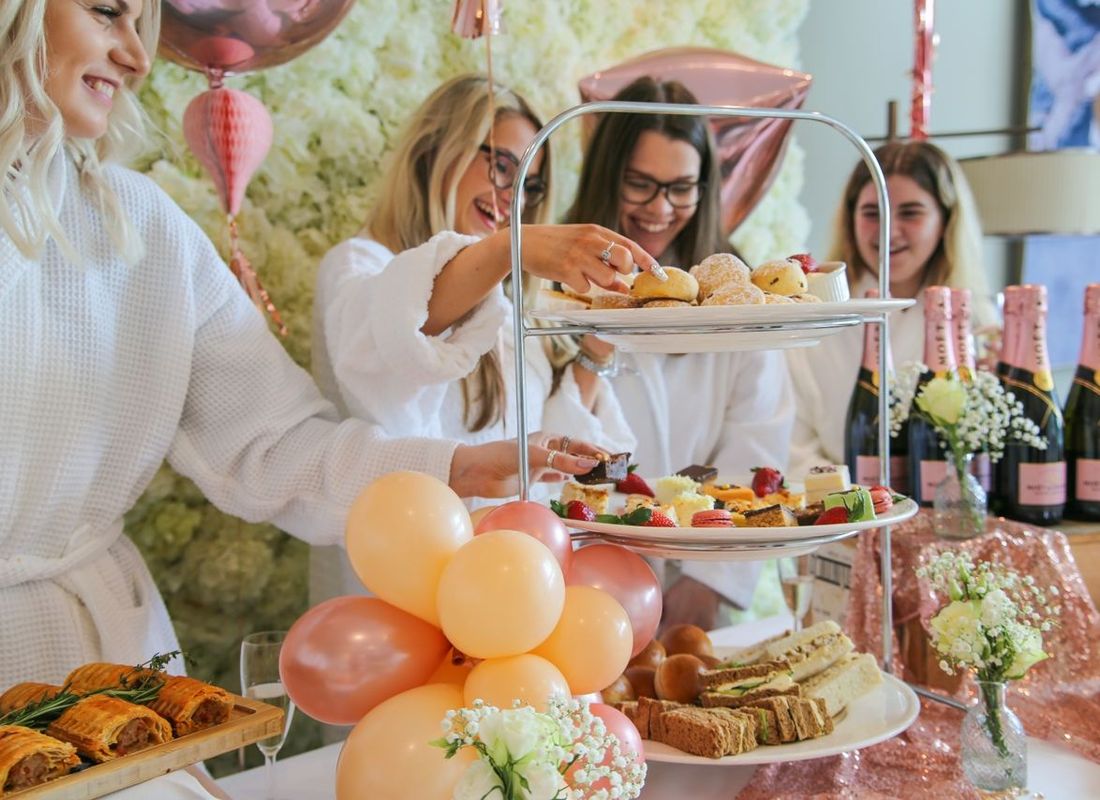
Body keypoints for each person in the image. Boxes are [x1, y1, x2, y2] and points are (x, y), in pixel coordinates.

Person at [0, 0, 612, 692]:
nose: (138, 57)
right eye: (107, 14)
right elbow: (396, 335)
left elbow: (273, 444)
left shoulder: (138, 227)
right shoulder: (365, 270)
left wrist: (460, 468)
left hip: (95, 652)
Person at [310, 75, 654, 601]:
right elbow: (397, 350)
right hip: (402, 600)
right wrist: (508, 248)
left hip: (508, 598)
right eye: (501, 169)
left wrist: (597, 347)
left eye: (530, 187)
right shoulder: (360, 268)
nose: (511, 198)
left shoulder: (506, 308)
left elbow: (544, 461)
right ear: (436, 149)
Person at [565, 77, 796, 629]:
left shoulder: (739, 300)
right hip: (580, 575)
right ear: (606, 177)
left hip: (701, 572)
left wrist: (707, 578)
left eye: (681, 188)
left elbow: (758, 436)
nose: (660, 209)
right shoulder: (552, 295)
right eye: (639, 184)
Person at [787, 139, 997, 477]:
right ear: (851, 219)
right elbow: (792, 440)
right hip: (841, 513)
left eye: (911, 213)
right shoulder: (815, 316)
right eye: (873, 213)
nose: (889, 231)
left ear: (946, 220)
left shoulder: (976, 324)